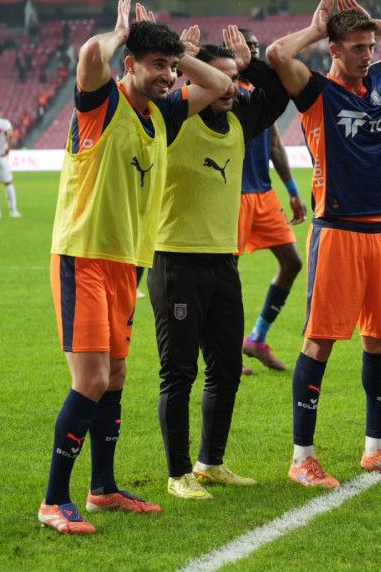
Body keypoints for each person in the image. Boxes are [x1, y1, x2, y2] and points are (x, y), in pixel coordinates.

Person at [39, 0, 227, 535]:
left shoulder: (161, 114)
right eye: (156, 65)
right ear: (130, 64)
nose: (167, 75)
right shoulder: (101, 101)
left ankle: (103, 488)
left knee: (116, 375)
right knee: (92, 378)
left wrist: (179, 55)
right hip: (84, 255)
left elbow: (218, 84)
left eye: (171, 67)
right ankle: (54, 500)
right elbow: (87, 56)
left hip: (127, 264)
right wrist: (122, 33)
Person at [266, 0, 381, 488]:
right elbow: (277, 54)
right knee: (320, 341)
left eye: (370, 46)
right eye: (357, 47)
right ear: (334, 50)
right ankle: (302, 458)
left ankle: (376, 450)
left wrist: (367, 21)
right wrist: (319, 29)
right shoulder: (315, 91)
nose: (367, 54)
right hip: (337, 230)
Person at [150, 26, 289, 500]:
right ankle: (178, 474)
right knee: (179, 373)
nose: (232, 87)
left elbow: (278, 95)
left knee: (226, 368)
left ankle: (210, 463)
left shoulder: (239, 120)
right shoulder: (173, 119)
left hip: (223, 263)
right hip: (176, 261)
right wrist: (181, 57)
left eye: (236, 78)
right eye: (222, 78)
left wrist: (251, 65)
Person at [235, 27, 306, 373]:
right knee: (224, 275)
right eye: (245, 46)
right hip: (231, 195)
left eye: (255, 47)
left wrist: (292, 190)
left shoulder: (263, 92)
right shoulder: (223, 90)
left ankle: (257, 338)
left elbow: (275, 144)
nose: (252, 51)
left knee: (292, 262)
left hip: (263, 194)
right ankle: (226, 349)